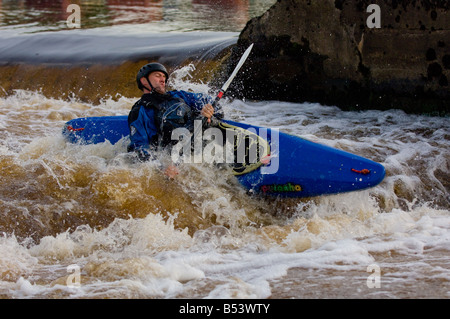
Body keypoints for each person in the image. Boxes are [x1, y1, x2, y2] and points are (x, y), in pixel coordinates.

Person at [127, 62, 222, 176]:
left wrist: (208, 108)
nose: (163, 80)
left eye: (164, 77)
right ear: (144, 81)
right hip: (172, 157)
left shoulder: (179, 96)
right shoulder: (140, 111)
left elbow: (208, 101)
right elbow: (139, 149)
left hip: (197, 141)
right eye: (157, 76)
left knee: (206, 120)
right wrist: (161, 168)